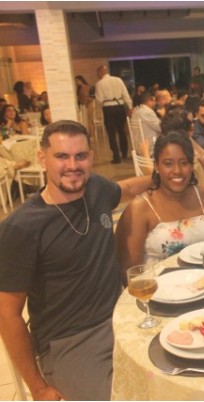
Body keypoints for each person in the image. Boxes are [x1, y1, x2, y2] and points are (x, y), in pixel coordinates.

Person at [0, 120, 152, 400]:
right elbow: (7, 314)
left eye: (80, 156)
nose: (72, 165)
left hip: (122, 319)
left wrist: (161, 177)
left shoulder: (96, 188)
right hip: (70, 342)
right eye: (62, 156)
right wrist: (38, 387)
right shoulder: (22, 227)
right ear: (42, 158)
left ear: (91, 157)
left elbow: (128, 188)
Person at [115, 132, 204, 268]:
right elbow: (130, 271)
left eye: (184, 163)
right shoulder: (140, 208)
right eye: (168, 164)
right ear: (156, 166)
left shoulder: (203, 197)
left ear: (191, 166)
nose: (177, 171)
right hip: (158, 281)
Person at [95, 65, 132, 164]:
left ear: (100, 73)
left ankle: (116, 156)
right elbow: (125, 94)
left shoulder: (99, 84)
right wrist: (130, 107)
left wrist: (99, 111)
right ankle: (124, 153)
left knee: (111, 133)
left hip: (108, 108)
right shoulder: (118, 80)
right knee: (121, 131)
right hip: (119, 106)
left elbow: (99, 99)